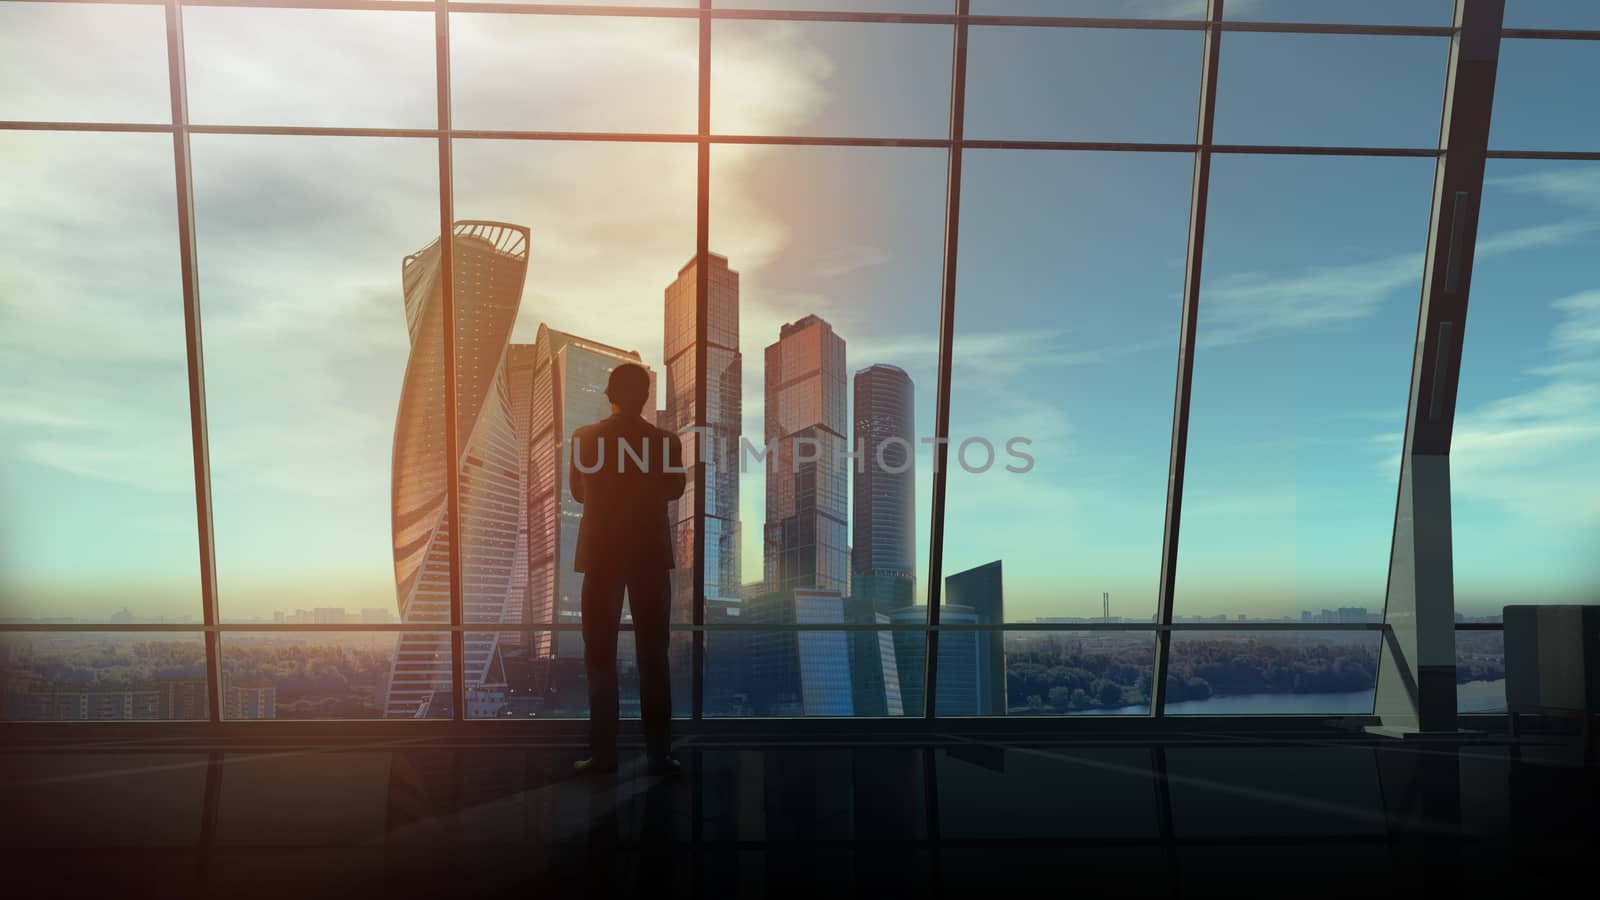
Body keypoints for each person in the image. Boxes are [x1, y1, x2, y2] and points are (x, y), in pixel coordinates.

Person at [568, 362, 686, 776]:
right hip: (649, 556)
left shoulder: (585, 439)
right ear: (646, 396)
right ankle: (658, 755)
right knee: (654, 657)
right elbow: (675, 488)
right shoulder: (666, 441)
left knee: (598, 656)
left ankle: (603, 755)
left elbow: (578, 493)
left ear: (608, 393)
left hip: (600, 555)